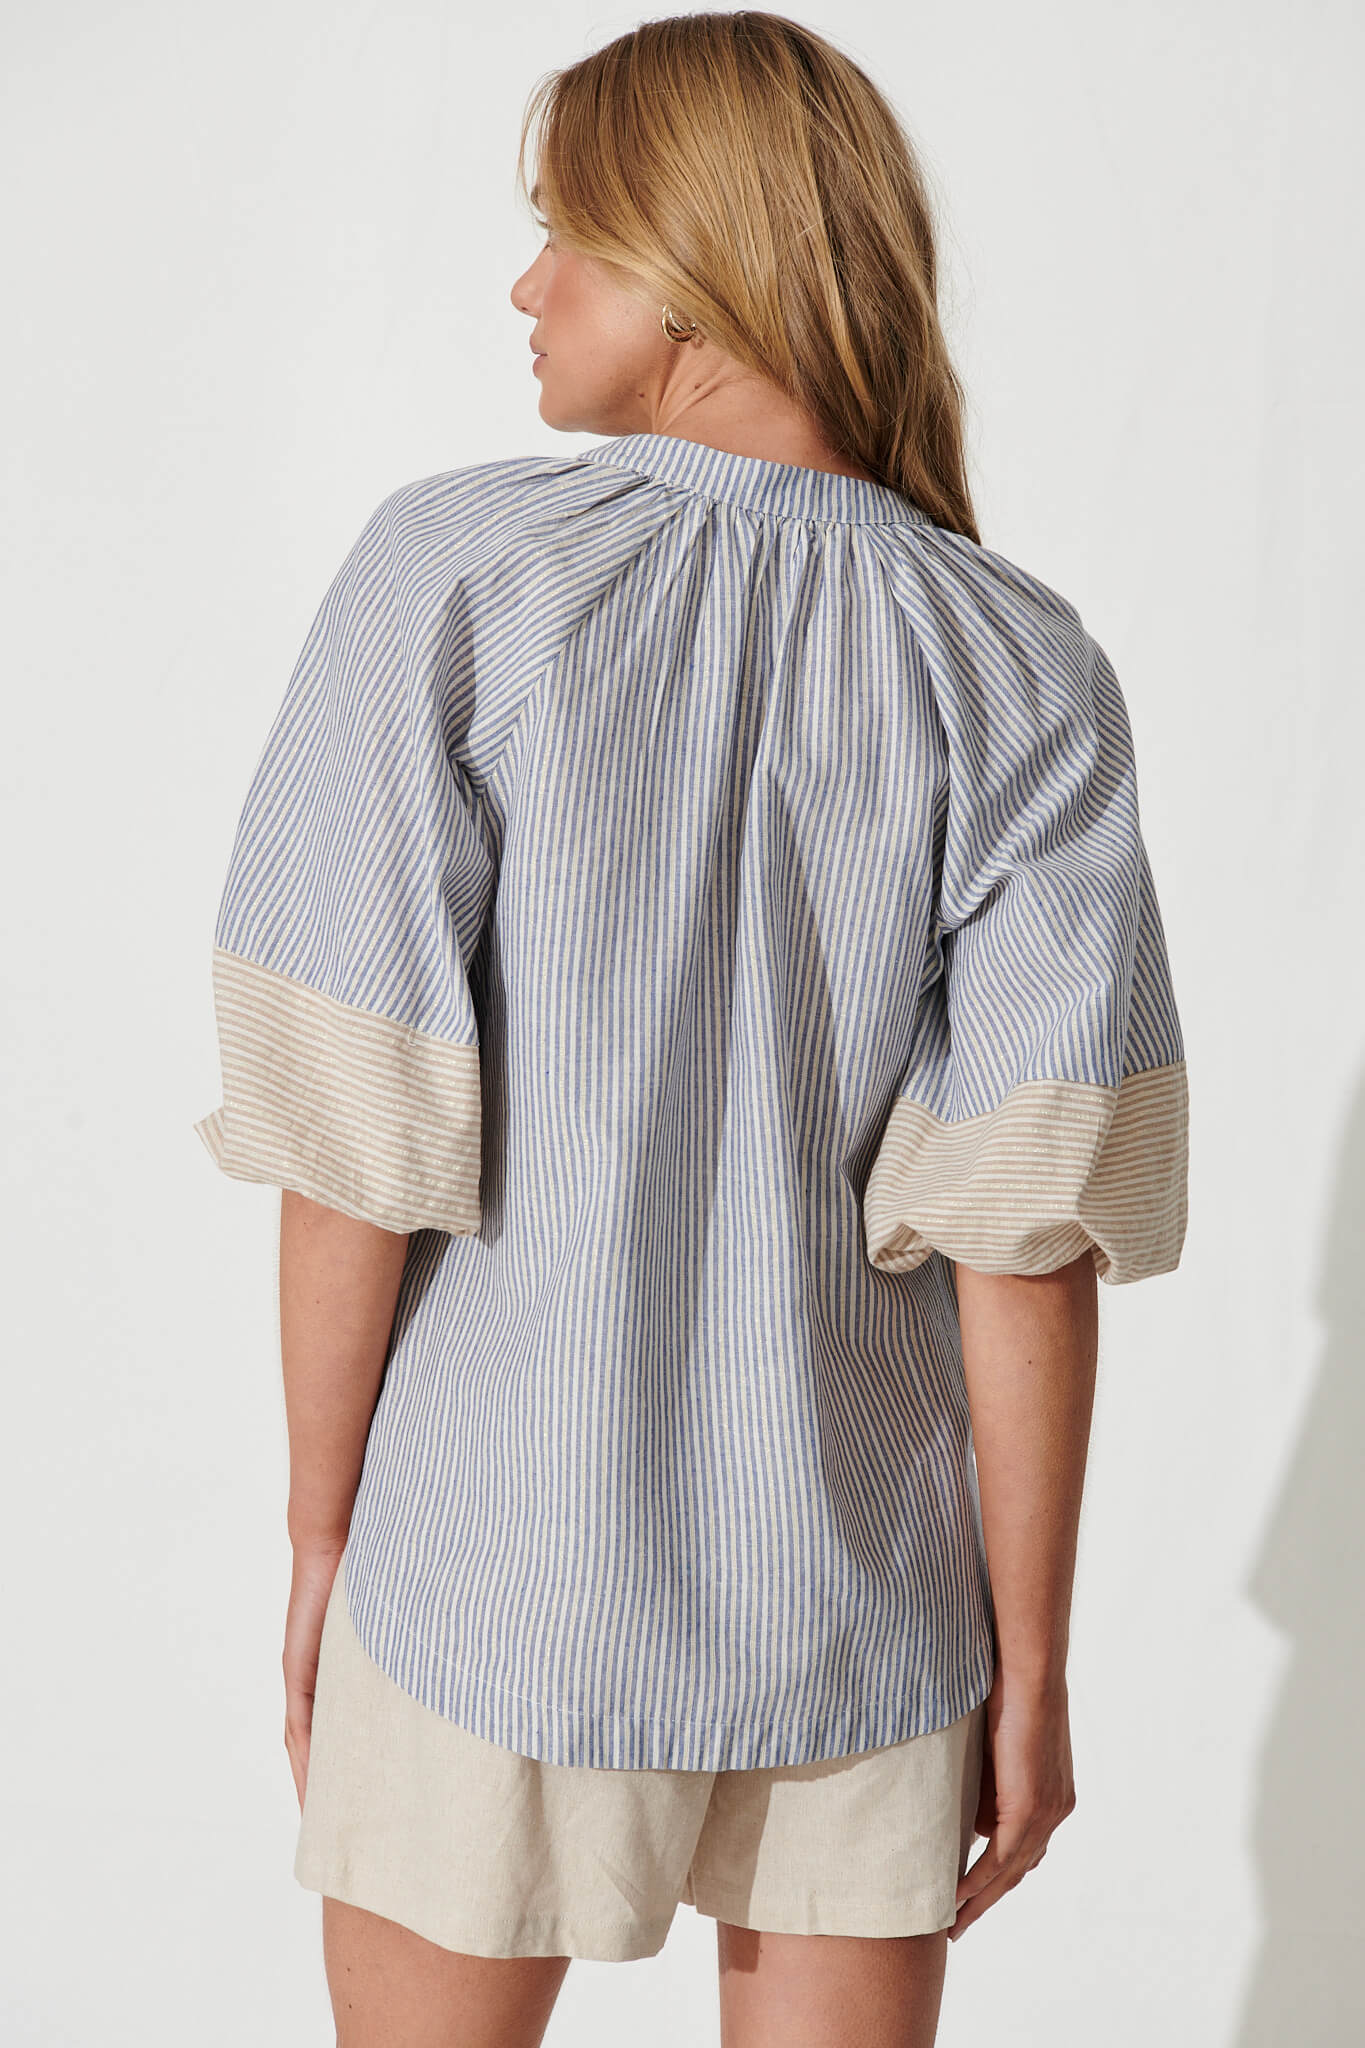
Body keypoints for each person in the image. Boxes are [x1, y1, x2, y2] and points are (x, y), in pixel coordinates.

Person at [192, 12, 1189, 2046]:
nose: (525, 287)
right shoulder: (1015, 664)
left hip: (483, 1567)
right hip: (860, 1602)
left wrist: (316, 1536)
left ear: (696, 268)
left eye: (567, 233)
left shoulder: (459, 572)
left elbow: (356, 1134)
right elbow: (1021, 1234)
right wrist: (1028, 1659)